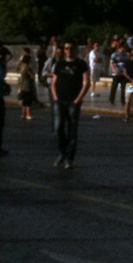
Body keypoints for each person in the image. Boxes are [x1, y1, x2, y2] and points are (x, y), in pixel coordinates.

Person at [52, 40, 90, 170]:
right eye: (66, 48)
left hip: (73, 101)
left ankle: (69, 158)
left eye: (71, 48)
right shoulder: (60, 64)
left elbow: (86, 82)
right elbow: (53, 81)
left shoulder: (81, 64)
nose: (68, 51)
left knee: (72, 131)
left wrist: (79, 98)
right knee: (58, 128)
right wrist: (55, 97)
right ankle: (62, 152)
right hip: (60, 100)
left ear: (75, 50)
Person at [17, 54, 35, 121]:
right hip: (28, 86)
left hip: (22, 86)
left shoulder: (21, 66)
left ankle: (23, 114)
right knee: (28, 102)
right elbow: (32, 76)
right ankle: (28, 115)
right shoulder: (28, 67)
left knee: (24, 101)